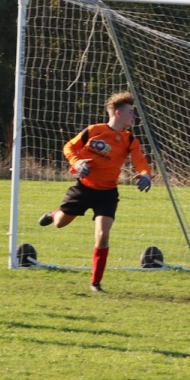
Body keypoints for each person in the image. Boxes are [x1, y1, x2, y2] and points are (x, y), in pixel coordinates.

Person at [38, 91, 152, 291]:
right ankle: (55, 214)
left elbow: (141, 162)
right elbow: (68, 148)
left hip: (107, 194)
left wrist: (145, 175)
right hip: (83, 189)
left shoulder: (130, 140)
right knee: (60, 224)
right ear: (118, 113)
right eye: (131, 112)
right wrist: (78, 161)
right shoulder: (93, 131)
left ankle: (95, 282)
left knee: (102, 234)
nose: (134, 117)